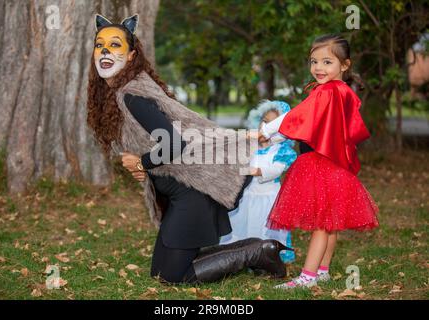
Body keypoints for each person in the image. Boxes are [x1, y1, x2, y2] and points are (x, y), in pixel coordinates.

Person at [86, 13, 290, 284]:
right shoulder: (123, 91)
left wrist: (141, 163)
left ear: (132, 55)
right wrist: (142, 163)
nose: (105, 51)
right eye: (100, 45)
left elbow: (173, 143)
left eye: (114, 45)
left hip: (192, 188)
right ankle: (262, 249)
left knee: (172, 276)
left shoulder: (133, 95)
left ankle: (257, 254)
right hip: (177, 189)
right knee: (159, 272)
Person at [258, 34, 379, 289]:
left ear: (344, 65)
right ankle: (323, 270)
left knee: (321, 226)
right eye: (314, 61)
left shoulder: (327, 91)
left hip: (321, 164)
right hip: (335, 166)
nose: (318, 68)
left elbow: (296, 117)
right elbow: (308, 124)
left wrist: (268, 131)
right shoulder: (341, 91)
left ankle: (307, 276)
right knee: (330, 222)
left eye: (327, 62)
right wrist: (276, 137)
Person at [220, 100, 297, 264]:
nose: (265, 126)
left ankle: (265, 259)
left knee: (263, 228)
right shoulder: (252, 146)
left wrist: (250, 170)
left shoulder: (282, 151)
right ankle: (241, 255)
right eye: (264, 121)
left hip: (268, 198)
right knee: (243, 224)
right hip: (248, 195)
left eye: (271, 124)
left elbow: (274, 170)